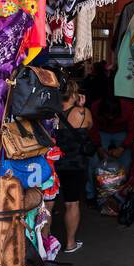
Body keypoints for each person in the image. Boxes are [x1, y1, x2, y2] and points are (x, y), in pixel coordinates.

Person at [55, 80, 95, 253]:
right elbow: (90, 127)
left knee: (48, 204)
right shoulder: (82, 113)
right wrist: (81, 106)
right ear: (73, 94)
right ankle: (70, 243)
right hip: (75, 164)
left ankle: (44, 245)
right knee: (72, 203)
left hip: (53, 163)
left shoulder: (51, 114)